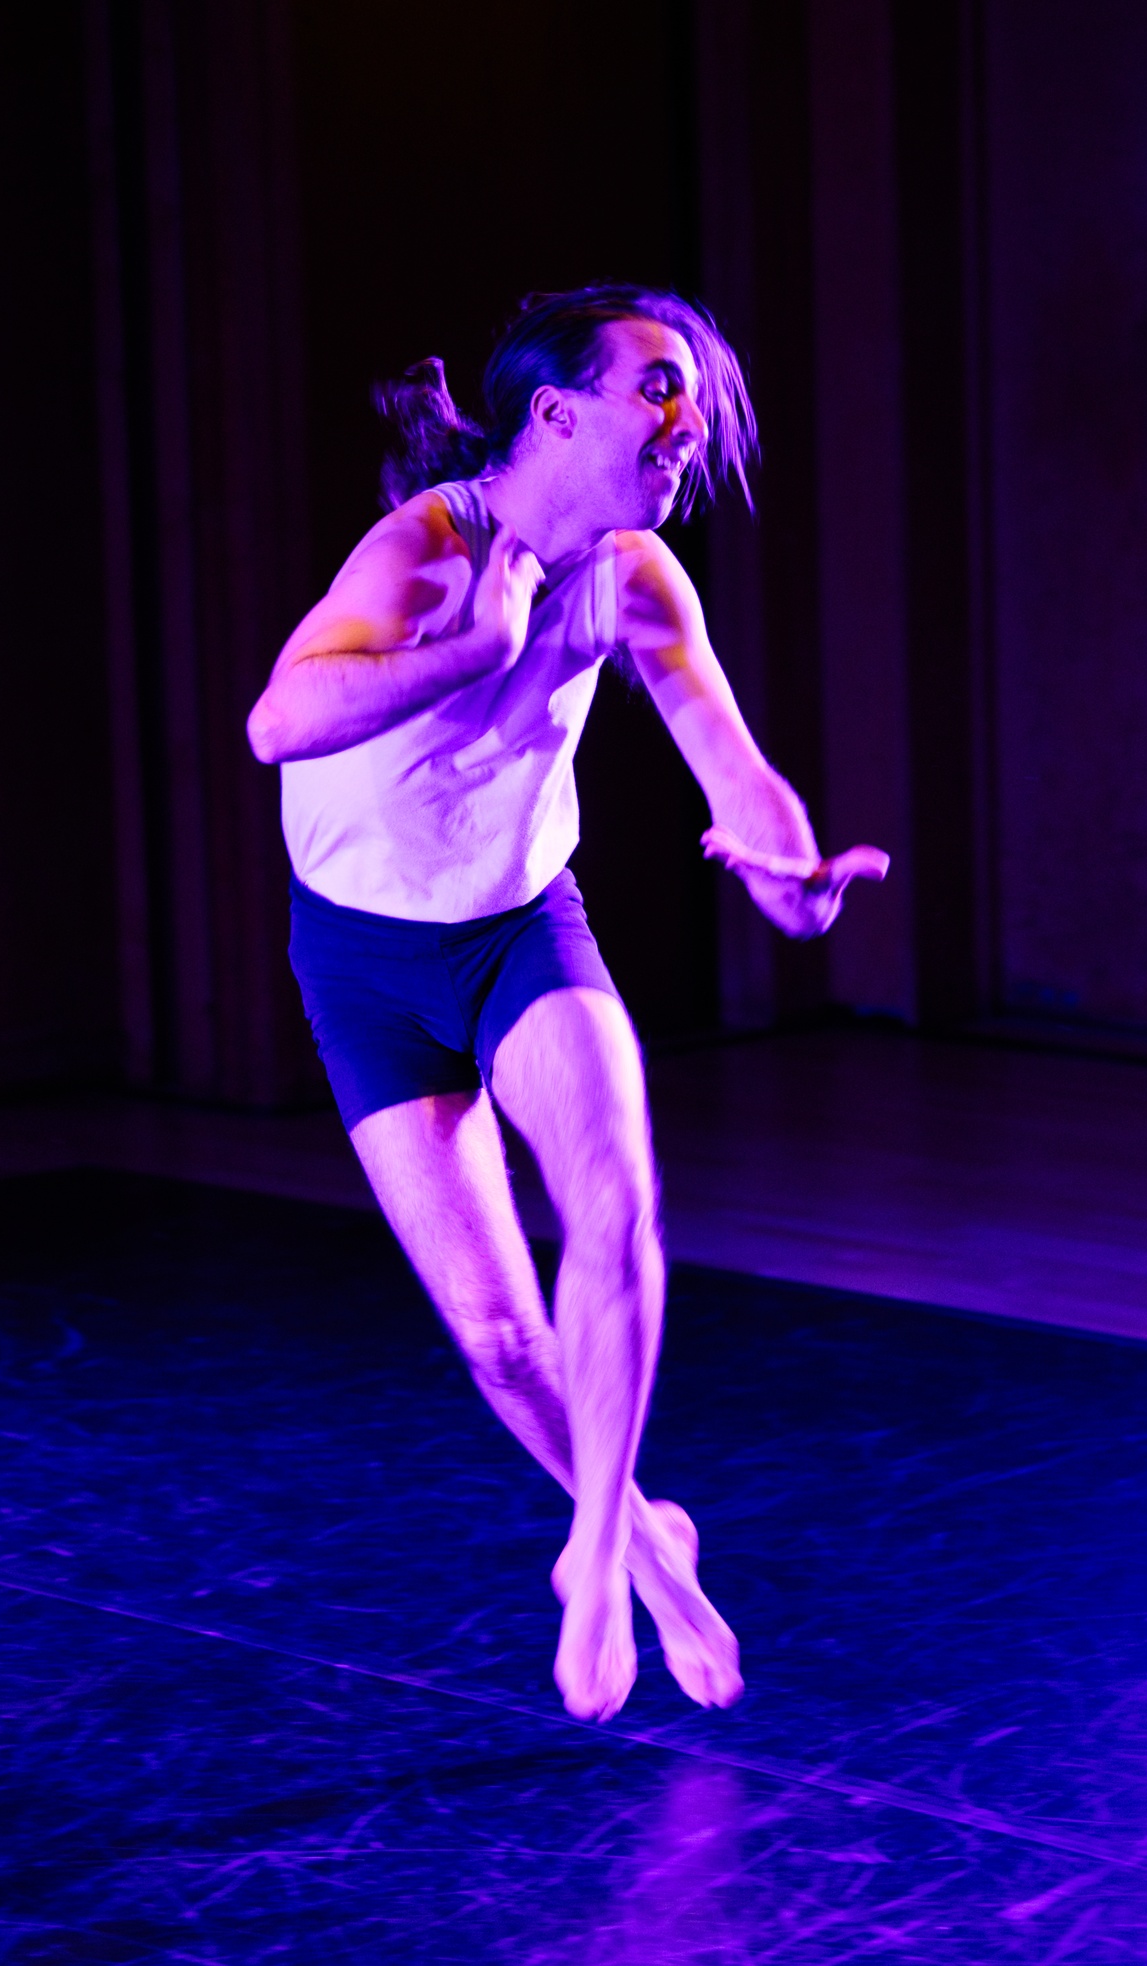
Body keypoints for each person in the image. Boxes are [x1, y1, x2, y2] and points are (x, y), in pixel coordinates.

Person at [246, 285, 887, 1723]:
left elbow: (735, 765)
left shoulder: (640, 576)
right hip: (364, 964)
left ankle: (593, 1553)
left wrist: (792, 881)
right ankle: (651, 1547)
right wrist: (476, 648)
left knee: (616, 1207)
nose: (689, 418)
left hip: (524, 927)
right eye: (658, 385)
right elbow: (276, 723)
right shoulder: (424, 551)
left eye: (695, 392)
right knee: (496, 1331)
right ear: (555, 414)